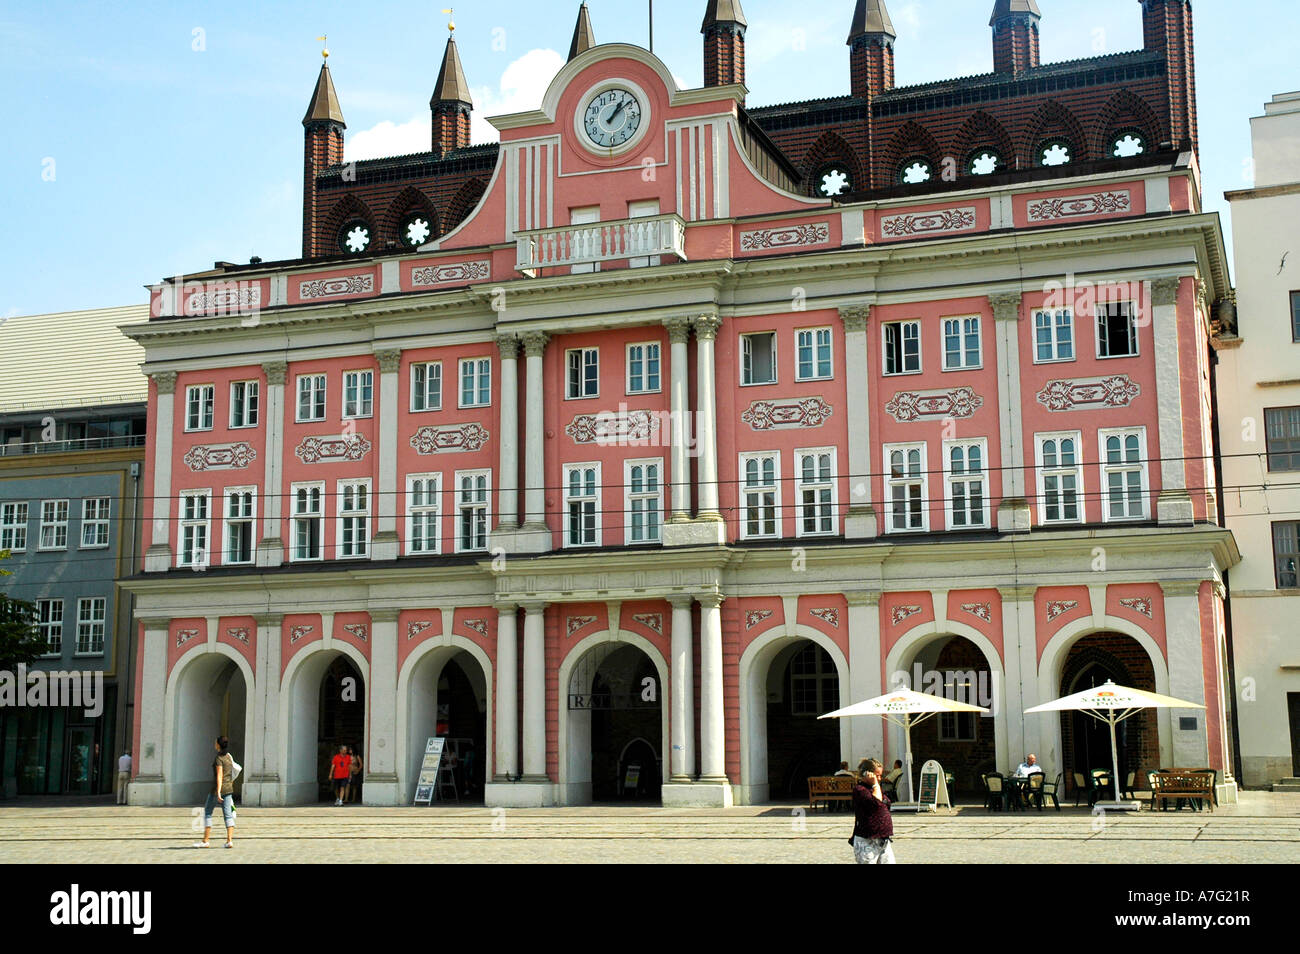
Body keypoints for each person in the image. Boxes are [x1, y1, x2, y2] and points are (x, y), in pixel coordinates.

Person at [850, 758, 895, 864]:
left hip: (883, 840)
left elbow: (887, 803)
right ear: (867, 774)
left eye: (881, 775)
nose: (879, 778)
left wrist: (876, 787)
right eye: (877, 775)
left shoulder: (875, 789)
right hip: (866, 841)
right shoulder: (860, 789)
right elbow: (877, 803)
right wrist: (875, 784)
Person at [195, 736, 235, 848]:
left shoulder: (219, 758)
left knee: (208, 812)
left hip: (217, 789)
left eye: (215, 742)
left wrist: (218, 792)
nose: (214, 744)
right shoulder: (228, 757)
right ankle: (229, 840)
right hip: (228, 788)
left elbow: (219, 775)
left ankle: (205, 841)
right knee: (228, 814)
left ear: (218, 744)